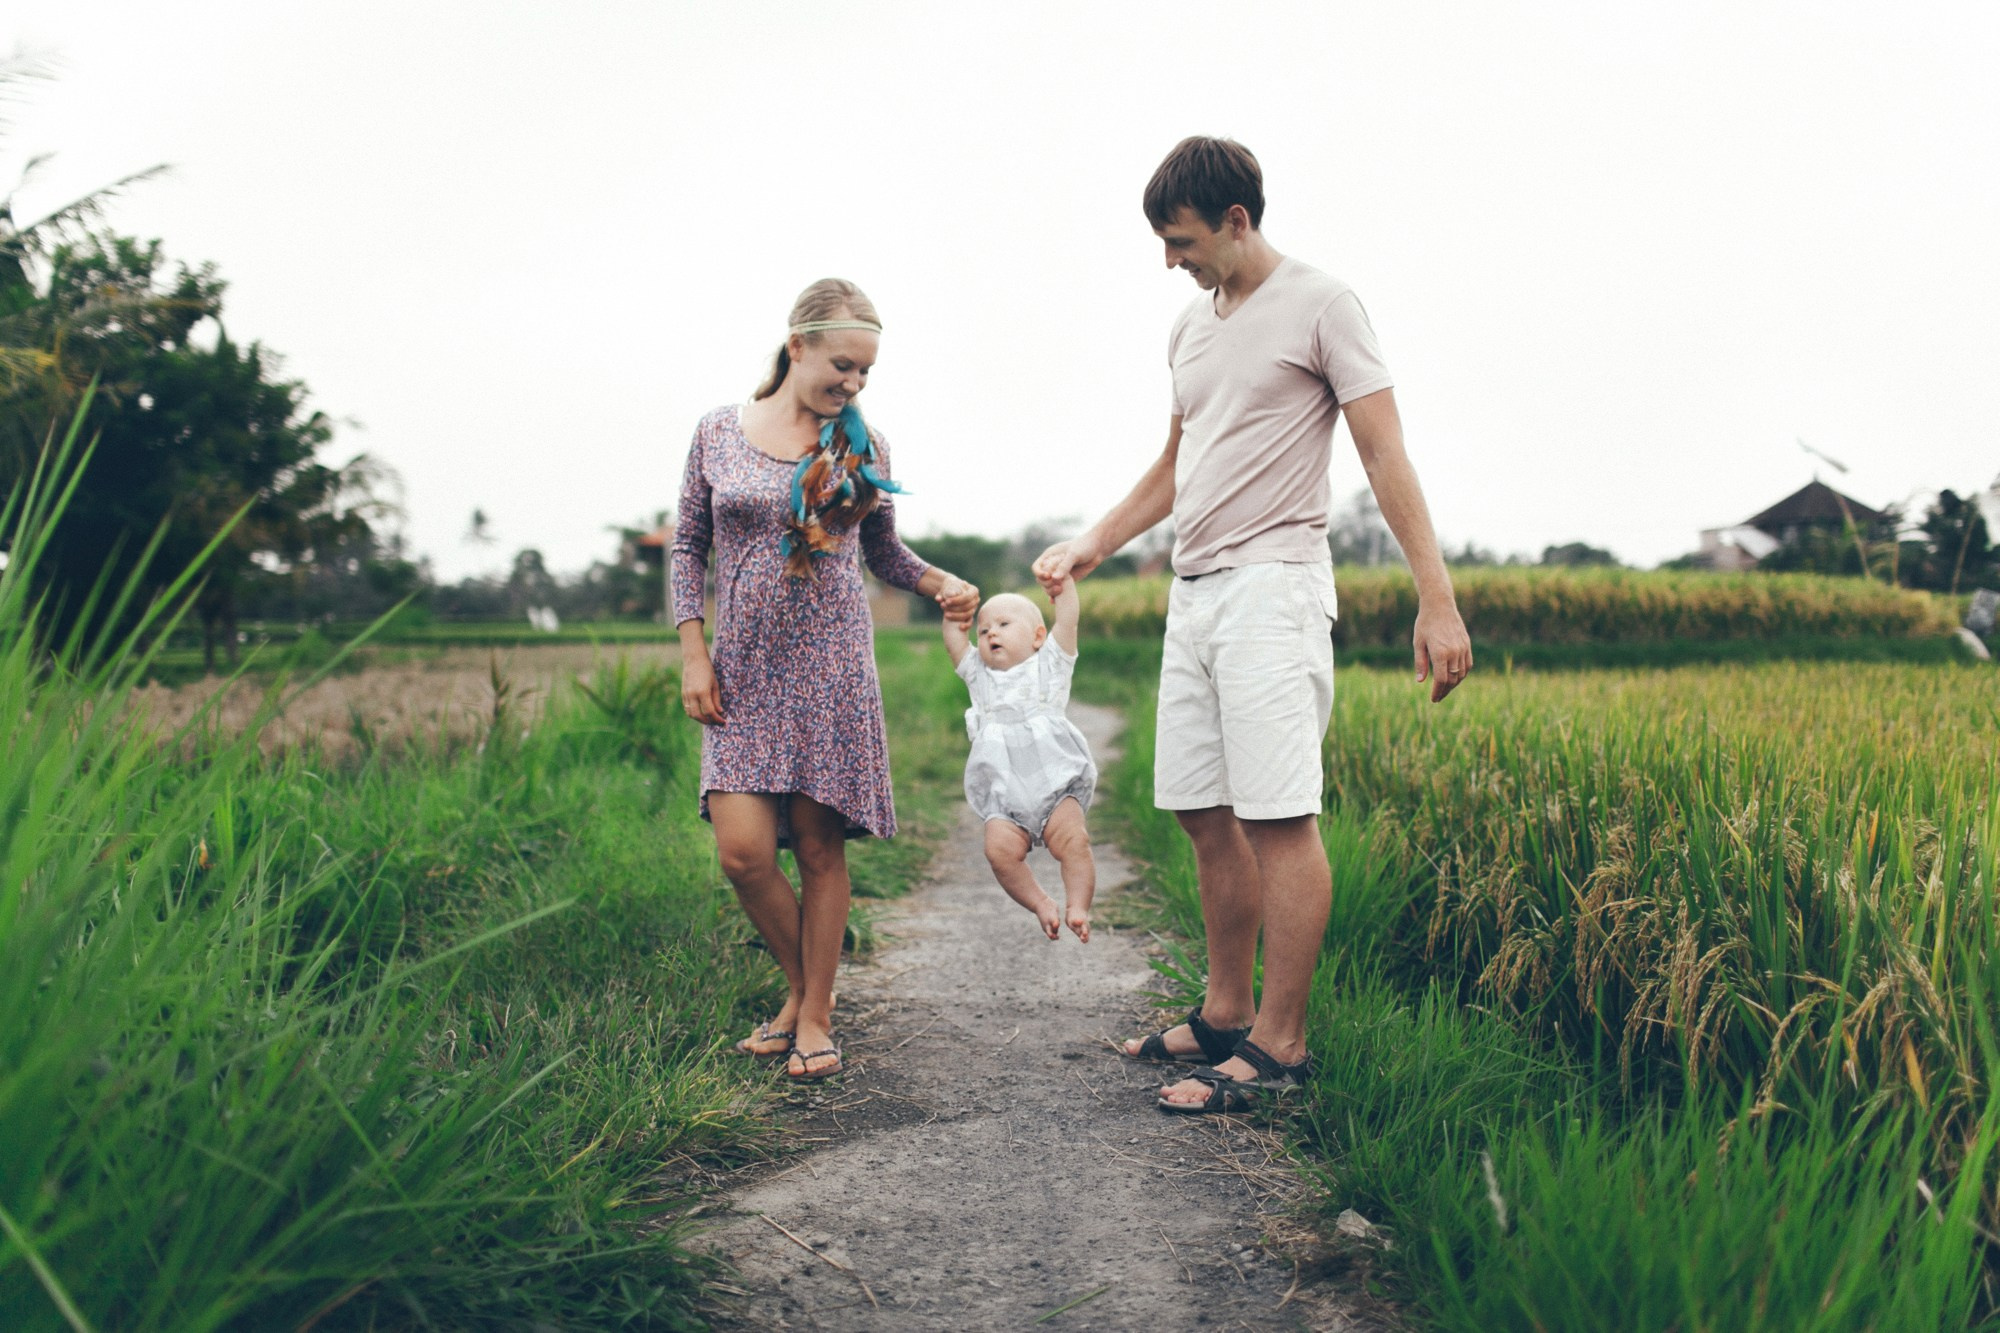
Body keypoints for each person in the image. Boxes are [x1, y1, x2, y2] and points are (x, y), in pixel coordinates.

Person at [1033, 137, 1473, 1114]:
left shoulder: (1322, 304)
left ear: (1236, 220)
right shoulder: (1189, 328)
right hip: (1193, 594)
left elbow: (1382, 451)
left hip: (1273, 589)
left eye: (1180, 240)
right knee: (1198, 809)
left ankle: (1281, 1045)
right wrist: (1094, 541)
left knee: (1277, 816)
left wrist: (1433, 597)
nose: (1168, 261)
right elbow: (1175, 464)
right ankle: (1224, 1012)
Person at [673, 278, 979, 1082]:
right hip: (740, 673)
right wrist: (692, 651)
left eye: (866, 372)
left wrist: (939, 582)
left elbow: (884, 554)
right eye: (842, 365)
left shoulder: (863, 445)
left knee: (816, 846)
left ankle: (811, 1014)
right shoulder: (715, 432)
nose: (853, 384)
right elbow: (686, 549)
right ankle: (806, 989)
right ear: (798, 344)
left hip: (832, 669)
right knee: (743, 853)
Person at [943, 580, 1097, 942]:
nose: (991, 632)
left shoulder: (1051, 665)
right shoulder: (979, 676)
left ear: (1038, 636)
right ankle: (1040, 903)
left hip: (1056, 784)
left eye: (1003, 625)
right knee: (998, 852)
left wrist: (1064, 586)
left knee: (1074, 842)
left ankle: (1078, 905)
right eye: (983, 630)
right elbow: (954, 643)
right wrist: (953, 612)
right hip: (1004, 796)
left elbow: (1068, 620)